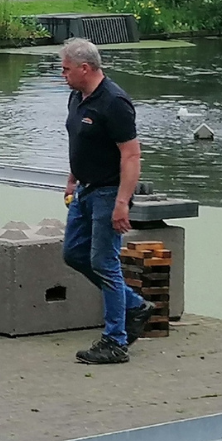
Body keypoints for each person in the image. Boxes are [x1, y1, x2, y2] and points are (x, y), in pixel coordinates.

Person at [60, 38, 154, 364]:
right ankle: (134, 305)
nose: (63, 74)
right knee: (73, 253)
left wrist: (122, 202)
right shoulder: (77, 97)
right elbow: (79, 139)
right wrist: (73, 175)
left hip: (108, 193)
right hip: (84, 189)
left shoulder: (114, 102)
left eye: (66, 69)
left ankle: (115, 340)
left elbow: (131, 156)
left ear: (85, 68)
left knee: (105, 262)